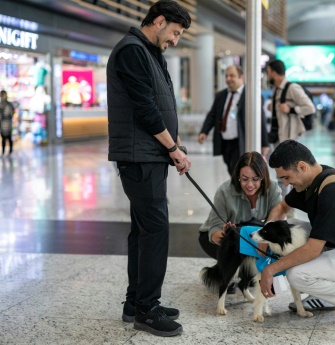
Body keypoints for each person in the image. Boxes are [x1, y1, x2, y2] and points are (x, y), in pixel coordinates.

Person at [106, 0, 191, 337]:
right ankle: (147, 309)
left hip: (150, 154)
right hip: (140, 156)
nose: (175, 39)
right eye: (174, 32)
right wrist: (171, 147)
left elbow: (162, 104)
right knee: (155, 230)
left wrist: (176, 144)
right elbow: (145, 108)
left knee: (144, 230)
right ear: (158, 21)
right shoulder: (132, 51)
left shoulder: (149, 52)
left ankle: (135, 301)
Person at [259, 140, 335, 321]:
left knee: (296, 274)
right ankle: (325, 296)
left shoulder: (333, 191)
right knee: (292, 227)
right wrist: (265, 237)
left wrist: (270, 270)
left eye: (286, 177)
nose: (285, 184)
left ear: (301, 166)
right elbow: (282, 207)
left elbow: (313, 249)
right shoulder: (312, 180)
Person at [198, 151, 281, 259]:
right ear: (238, 176)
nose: (250, 185)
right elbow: (214, 230)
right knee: (241, 255)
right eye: (244, 179)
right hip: (217, 239)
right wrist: (227, 236)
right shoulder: (224, 192)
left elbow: (277, 222)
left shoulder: (273, 189)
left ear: (263, 178)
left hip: (255, 234)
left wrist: (265, 239)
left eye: (255, 179)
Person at [198, 65, 270, 176]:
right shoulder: (221, 96)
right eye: (226, 76)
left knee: (239, 171)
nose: (228, 79)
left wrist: (264, 143)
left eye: (232, 76)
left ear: (241, 77)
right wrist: (204, 132)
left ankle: (240, 191)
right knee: (231, 170)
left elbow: (261, 119)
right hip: (225, 142)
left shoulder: (251, 95)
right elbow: (212, 115)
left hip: (241, 142)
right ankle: (238, 191)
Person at [266, 59, 315, 197]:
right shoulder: (276, 89)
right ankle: (284, 205)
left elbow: (310, 107)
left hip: (288, 138)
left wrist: (292, 109)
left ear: (274, 73)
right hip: (277, 136)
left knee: (288, 174)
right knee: (280, 173)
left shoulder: (292, 88)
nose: (267, 75)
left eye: (268, 72)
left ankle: (287, 206)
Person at [0, 90, 14, 156]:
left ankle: (8, 151)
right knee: (6, 138)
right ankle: (5, 151)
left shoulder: (3, 104)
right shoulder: (8, 104)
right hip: (5, 123)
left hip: (5, 123)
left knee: (7, 137)